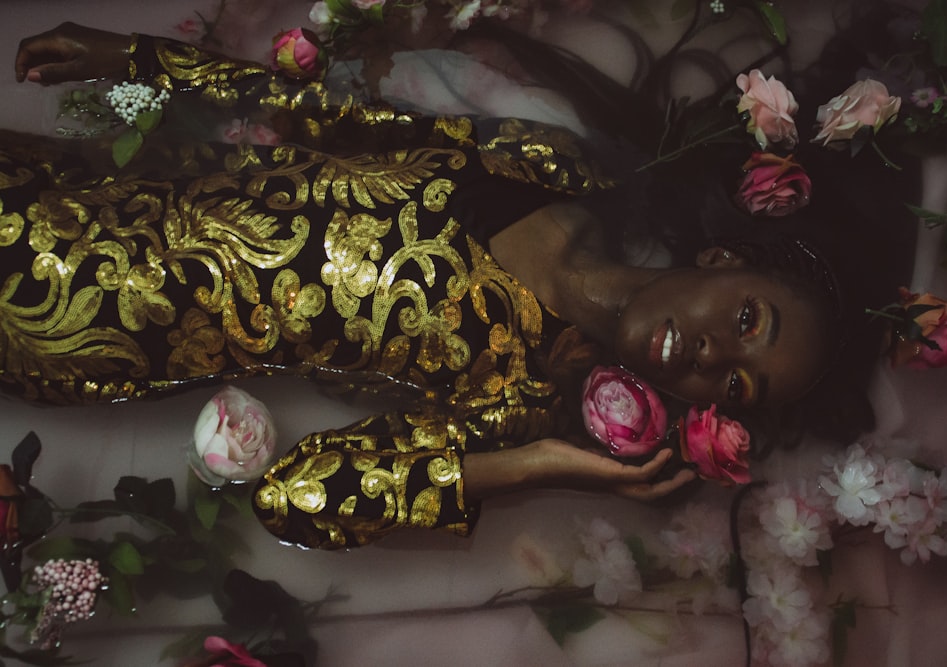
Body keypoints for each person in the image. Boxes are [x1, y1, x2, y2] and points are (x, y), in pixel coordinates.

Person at [6, 22, 891, 550]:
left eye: (737, 380)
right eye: (746, 318)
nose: (713, 353)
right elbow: (328, 121)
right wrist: (135, 58)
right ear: (719, 260)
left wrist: (541, 469)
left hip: (63, 324)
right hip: (71, 186)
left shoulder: (518, 400)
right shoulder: (558, 166)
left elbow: (296, 497)